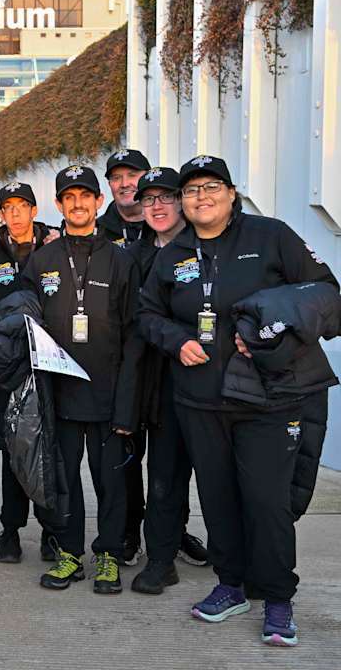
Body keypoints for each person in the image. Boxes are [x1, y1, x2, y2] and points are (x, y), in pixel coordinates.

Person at [138, 154, 338, 646]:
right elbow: (146, 312)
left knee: (267, 502)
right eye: (191, 191)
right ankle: (230, 585)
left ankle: (276, 598)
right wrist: (173, 339)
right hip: (200, 400)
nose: (201, 197)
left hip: (270, 398)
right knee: (218, 498)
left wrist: (272, 328)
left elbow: (326, 293)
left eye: (211, 187)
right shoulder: (173, 253)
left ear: (231, 193)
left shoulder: (272, 236)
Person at [21, 164, 140, 594]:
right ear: (58, 204)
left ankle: (108, 554)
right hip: (60, 397)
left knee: (111, 480)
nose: (77, 203)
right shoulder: (42, 260)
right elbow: (24, 324)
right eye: (68, 197)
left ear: (98, 202)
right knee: (64, 481)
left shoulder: (121, 259)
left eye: (85, 196)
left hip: (107, 398)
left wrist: (129, 403)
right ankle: (69, 553)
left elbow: (134, 336)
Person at [126, 168, 208, 595]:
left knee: (218, 475)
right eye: (148, 199)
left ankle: (236, 559)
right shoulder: (133, 255)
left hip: (210, 379)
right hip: (155, 383)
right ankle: (160, 557)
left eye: (166, 198)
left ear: (182, 202)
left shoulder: (209, 246)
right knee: (163, 474)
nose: (156, 207)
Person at [0, 181, 58, 564]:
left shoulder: (53, 247)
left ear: (33, 209)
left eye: (21, 206)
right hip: (9, 369)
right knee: (12, 448)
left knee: (48, 449)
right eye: (7, 207)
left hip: (48, 365)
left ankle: (51, 532)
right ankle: (11, 531)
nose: (14, 213)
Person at [96, 148, 151, 565]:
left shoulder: (169, 226)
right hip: (120, 366)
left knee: (171, 461)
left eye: (133, 174)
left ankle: (171, 531)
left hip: (167, 362)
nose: (125, 182)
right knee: (126, 457)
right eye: (116, 177)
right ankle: (128, 532)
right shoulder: (97, 234)